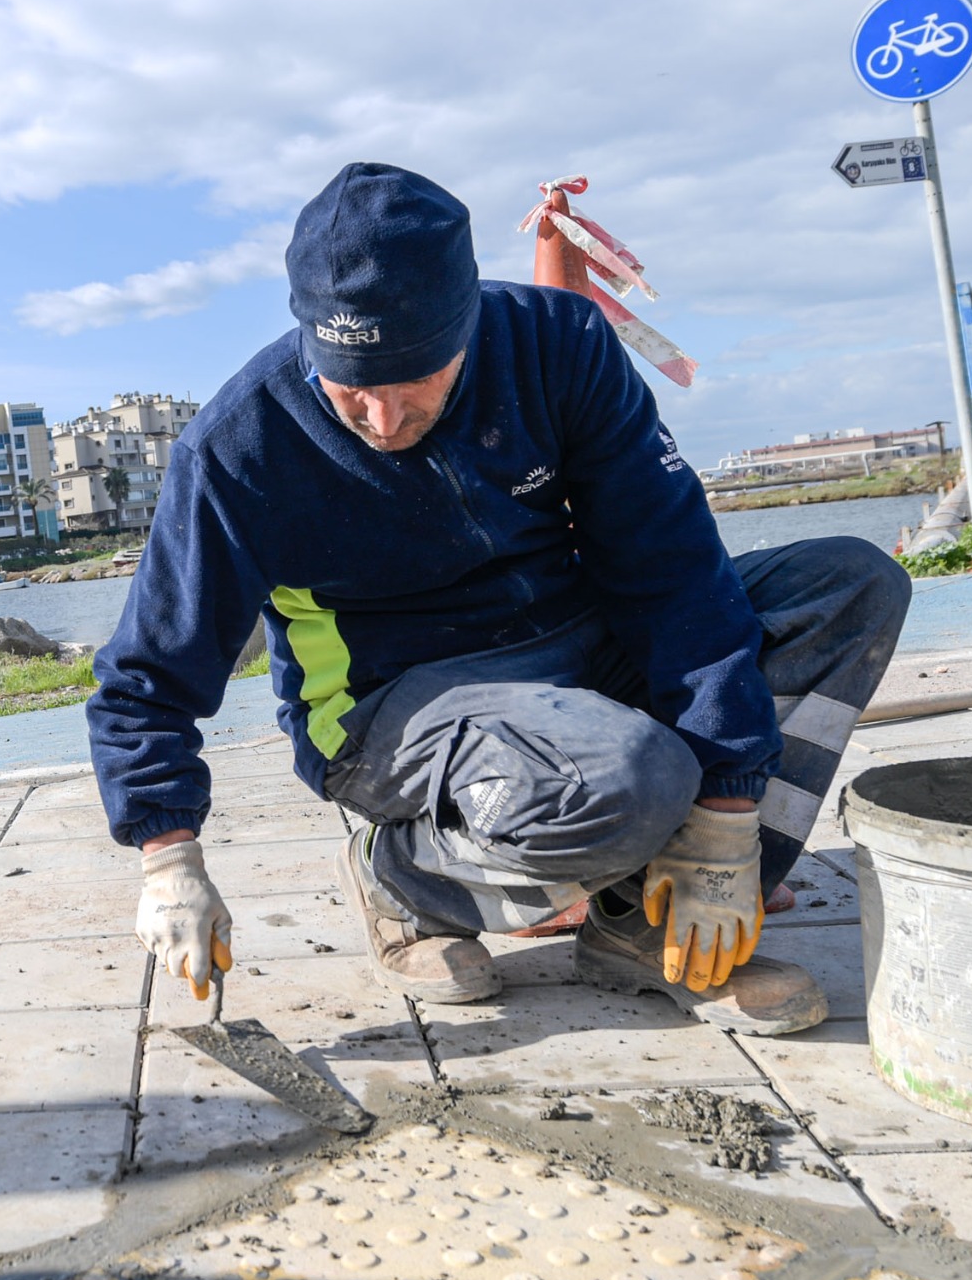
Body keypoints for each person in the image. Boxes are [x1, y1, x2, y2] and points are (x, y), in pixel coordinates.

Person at [87, 164, 909, 1035]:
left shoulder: (559, 346)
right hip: (389, 700)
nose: (382, 418)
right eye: (349, 384)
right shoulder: (242, 448)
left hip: (575, 637)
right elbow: (148, 677)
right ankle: (401, 875)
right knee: (630, 780)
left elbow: (669, 565)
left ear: (468, 323)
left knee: (850, 587)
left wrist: (730, 815)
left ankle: (649, 926)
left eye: (415, 379)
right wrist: (167, 855)